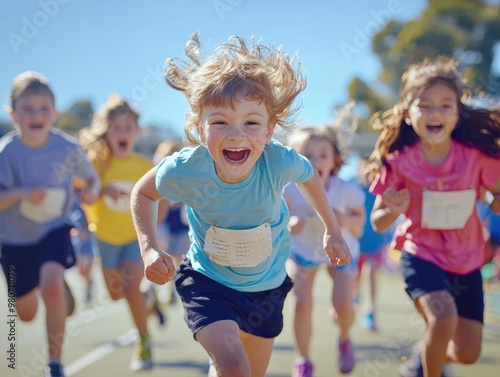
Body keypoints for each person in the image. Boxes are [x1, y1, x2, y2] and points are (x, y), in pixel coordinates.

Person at [130, 33, 351, 377]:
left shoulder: (278, 161)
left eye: (251, 122)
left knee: (246, 369)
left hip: (266, 289)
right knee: (234, 365)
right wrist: (148, 248)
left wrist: (332, 231)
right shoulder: (186, 168)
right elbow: (142, 193)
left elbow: (310, 178)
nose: (236, 134)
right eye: (220, 122)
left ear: (269, 129)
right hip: (208, 280)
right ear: (198, 128)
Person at [368, 56, 500, 377]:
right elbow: (378, 222)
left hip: (467, 260)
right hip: (421, 255)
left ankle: (425, 355)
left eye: (445, 105)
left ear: (457, 112)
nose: (435, 113)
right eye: (424, 105)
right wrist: (393, 209)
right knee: (442, 319)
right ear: (408, 114)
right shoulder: (399, 163)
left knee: (468, 353)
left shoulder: (475, 159)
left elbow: (497, 194)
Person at [0, 71, 100, 377]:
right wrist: (22, 193)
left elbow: (91, 178)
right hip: (14, 240)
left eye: (44, 108)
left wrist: (93, 191)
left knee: (52, 285)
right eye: (28, 108)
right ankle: (50, 289)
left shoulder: (67, 148)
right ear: (13, 114)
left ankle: (54, 363)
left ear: (54, 113)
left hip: (54, 230)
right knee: (26, 314)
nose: (36, 115)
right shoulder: (7, 152)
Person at [79, 94, 164, 372]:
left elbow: (160, 200)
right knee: (116, 293)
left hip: (134, 239)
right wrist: (102, 190)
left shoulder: (144, 167)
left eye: (128, 127)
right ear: (106, 132)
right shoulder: (97, 164)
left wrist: (154, 231)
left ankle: (143, 342)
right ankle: (147, 298)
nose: (123, 133)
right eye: (117, 127)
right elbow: (85, 198)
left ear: (137, 132)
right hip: (104, 237)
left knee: (130, 287)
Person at [283, 126, 365, 376]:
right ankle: (303, 360)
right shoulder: (288, 190)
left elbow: (360, 223)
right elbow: (278, 219)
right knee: (302, 302)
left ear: (335, 160)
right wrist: (289, 224)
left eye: (322, 154)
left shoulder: (346, 190)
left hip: (342, 250)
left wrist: (346, 220)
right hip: (302, 252)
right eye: (306, 155)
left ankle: (344, 336)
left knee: (343, 305)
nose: (315, 161)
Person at [355, 157, 392, 332]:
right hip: (355, 245)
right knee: (354, 277)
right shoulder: (354, 190)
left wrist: (387, 241)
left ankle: (370, 311)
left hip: (375, 245)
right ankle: (352, 296)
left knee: (371, 274)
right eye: (366, 169)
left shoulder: (380, 192)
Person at [153, 138, 190, 304]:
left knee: (178, 256)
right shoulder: (155, 176)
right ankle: (153, 291)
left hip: (181, 224)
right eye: (165, 155)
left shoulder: (184, 175)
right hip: (165, 224)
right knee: (164, 258)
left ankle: (172, 289)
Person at [69, 188, 97, 303]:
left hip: (89, 236)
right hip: (76, 238)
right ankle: (89, 281)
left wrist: (87, 229)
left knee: (87, 266)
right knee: (80, 269)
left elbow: (90, 211)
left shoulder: (84, 192)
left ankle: (89, 289)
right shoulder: (69, 198)